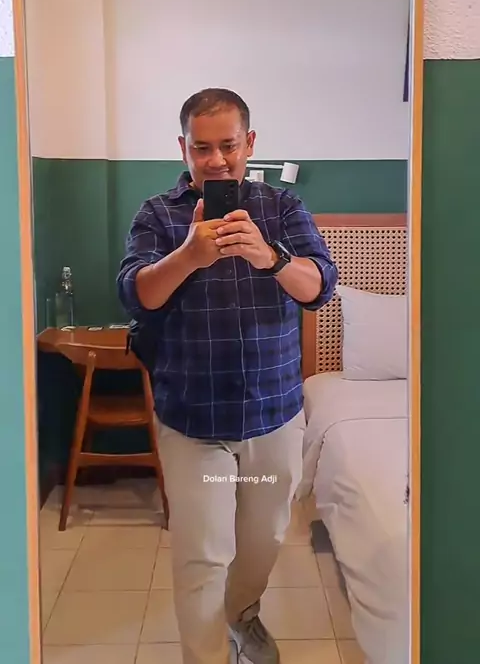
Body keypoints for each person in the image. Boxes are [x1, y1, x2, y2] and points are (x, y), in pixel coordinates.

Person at [117, 88, 338, 664]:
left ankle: (241, 614)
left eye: (229, 145)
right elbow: (137, 295)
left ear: (250, 143)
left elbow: (319, 287)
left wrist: (271, 257)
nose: (216, 160)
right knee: (202, 557)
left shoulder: (282, 207)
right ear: (183, 148)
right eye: (202, 147)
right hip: (194, 421)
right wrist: (189, 255)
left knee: (263, 543)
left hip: (274, 416)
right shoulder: (158, 213)